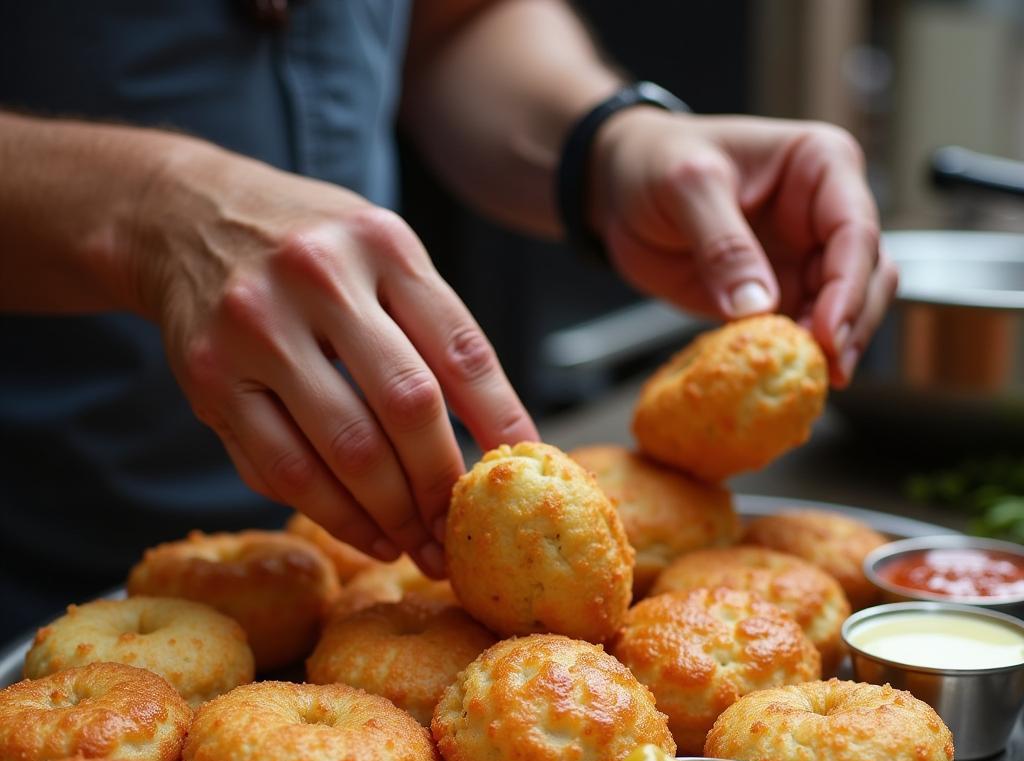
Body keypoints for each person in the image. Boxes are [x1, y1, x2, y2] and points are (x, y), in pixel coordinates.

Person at [0, 0, 896, 644]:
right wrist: (146, 213)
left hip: (384, 543)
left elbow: (453, 22)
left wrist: (609, 142)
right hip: (34, 555)